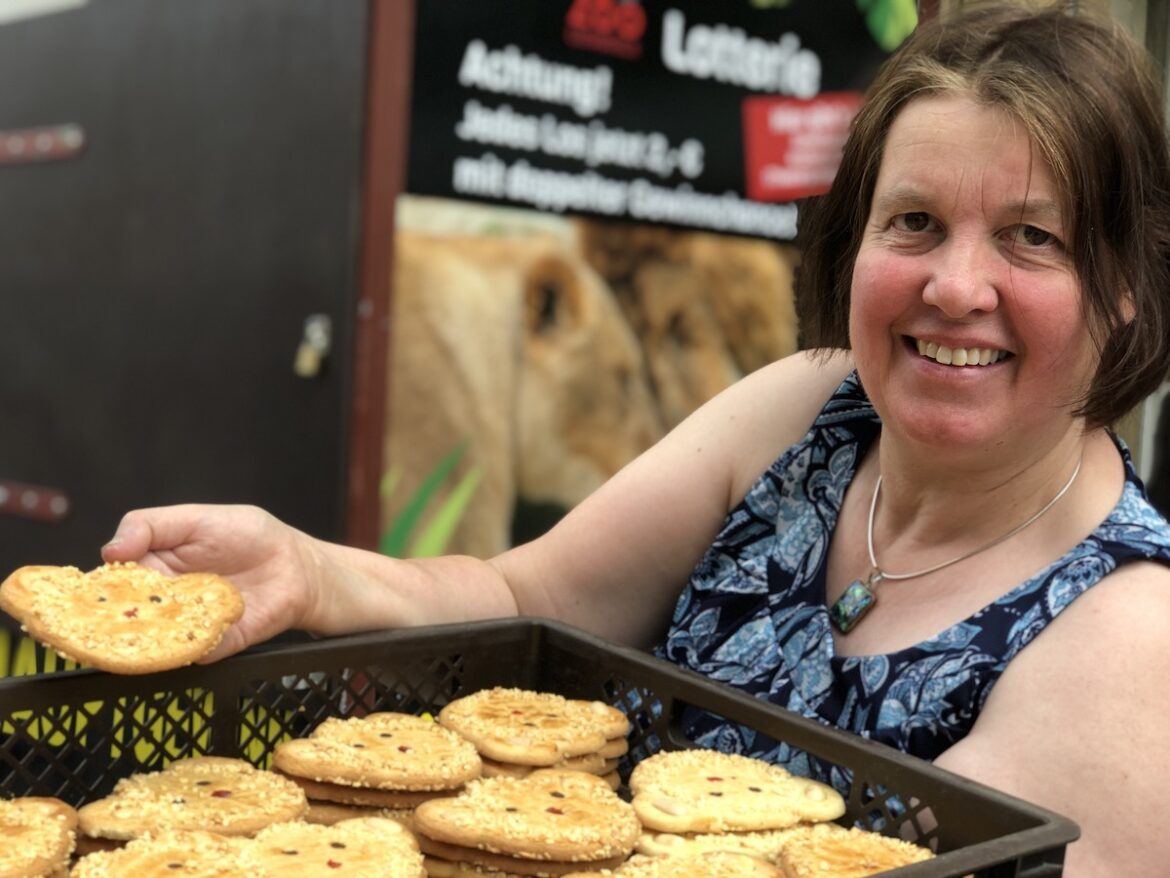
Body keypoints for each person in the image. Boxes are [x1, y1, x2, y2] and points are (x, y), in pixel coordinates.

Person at [100, 3, 1170, 874]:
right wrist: (310, 568)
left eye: (1034, 237)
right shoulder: (811, 412)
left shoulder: (1130, 646)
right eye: (915, 222)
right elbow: (529, 602)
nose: (953, 285)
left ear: (1126, 288)